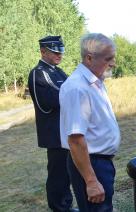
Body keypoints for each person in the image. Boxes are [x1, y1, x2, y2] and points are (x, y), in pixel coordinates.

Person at [59, 33, 120, 211]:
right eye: (108, 59)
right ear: (89, 58)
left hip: (100, 162)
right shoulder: (77, 88)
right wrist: (91, 181)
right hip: (91, 163)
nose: (113, 63)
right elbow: (76, 140)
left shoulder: (95, 81)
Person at [27, 35, 76, 212]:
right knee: (58, 174)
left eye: (60, 51)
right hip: (54, 133)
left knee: (68, 172)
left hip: (66, 130)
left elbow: (72, 90)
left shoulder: (58, 71)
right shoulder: (38, 73)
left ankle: (66, 205)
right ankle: (59, 208)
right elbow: (50, 101)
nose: (59, 55)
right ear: (43, 51)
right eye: (54, 51)